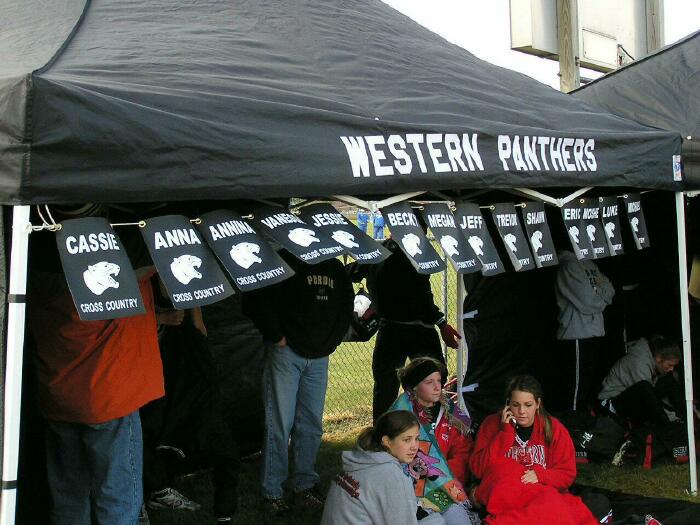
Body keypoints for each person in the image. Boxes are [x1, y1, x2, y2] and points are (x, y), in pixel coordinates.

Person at [28, 265, 164, 525]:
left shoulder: (36, 269)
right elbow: (153, 266)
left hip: (58, 396)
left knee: (68, 498)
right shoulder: (119, 276)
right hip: (108, 397)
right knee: (117, 501)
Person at [242, 250, 353, 516]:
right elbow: (254, 299)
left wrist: (332, 341)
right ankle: (272, 492)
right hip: (286, 353)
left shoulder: (334, 267)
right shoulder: (282, 259)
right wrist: (276, 335)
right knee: (279, 424)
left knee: (311, 424)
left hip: (319, 356)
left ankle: (305, 485)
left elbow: (345, 306)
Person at [140, 277, 240, 524]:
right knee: (148, 432)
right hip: (154, 369)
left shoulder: (184, 280)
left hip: (190, 371)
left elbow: (198, 324)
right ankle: (147, 495)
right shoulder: (143, 281)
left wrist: (196, 322)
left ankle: (224, 510)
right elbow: (128, 323)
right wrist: (161, 319)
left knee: (219, 440)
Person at [469, 375, 598, 524]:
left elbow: (567, 474)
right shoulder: (492, 425)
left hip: (539, 494)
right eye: (515, 405)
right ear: (507, 403)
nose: (522, 411)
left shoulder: (554, 429)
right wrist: (505, 433)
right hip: (505, 493)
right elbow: (479, 470)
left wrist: (541, 475)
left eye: (528, 405)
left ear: (538, 404)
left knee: (562, 510)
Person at [366, 237, 461, 421]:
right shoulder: (412, 249)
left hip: (395, 328)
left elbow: (420, 295)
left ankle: (387, 429)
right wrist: (441, 323)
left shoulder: (382, 249)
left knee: (388, 388)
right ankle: (426, 427)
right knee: (428, 383)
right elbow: (422, 297)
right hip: (413, 329)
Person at [390, 358, 476, 525]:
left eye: (439, 380)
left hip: (445, 487)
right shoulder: (400, 415)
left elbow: (463, 451)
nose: (437, 387)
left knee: (460, 520)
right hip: (407, 490)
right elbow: (391, 457)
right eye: (429, 382)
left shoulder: (452, 412)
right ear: (414, 387)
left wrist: (445, 476)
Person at [321, 410, 445, 525]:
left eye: (416, 438)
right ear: (386, 441)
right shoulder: (390, 474)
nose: (414, 446)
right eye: (406, 440)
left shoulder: (363, 459)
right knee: (438, 520)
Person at [553, 249, 615, 411]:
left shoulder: (590, 264)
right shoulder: (569, 266)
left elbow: (611, 290)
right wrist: (601, 296)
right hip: (575, 334)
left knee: (588, 385)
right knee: (575, 388)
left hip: (594, 332)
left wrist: (599, 295)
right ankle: (572, 420)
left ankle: (582, 419)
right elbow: (588, 302)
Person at [598, 335, 684, 429]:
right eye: (670, 365)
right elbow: (649, 399)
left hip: (629, 401)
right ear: (659, 358)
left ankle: (688, 417)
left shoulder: (651, 362)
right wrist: (670, 420)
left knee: (668, 382)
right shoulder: (638, 364)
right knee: (645, 388)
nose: (671, 369)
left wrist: (674, 416)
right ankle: (669, 429)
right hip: (611, 405)